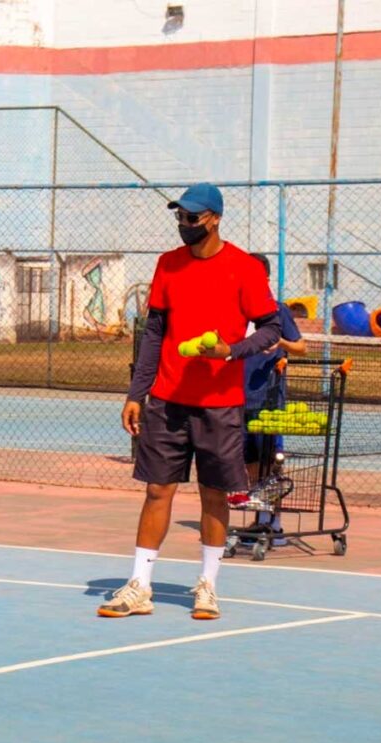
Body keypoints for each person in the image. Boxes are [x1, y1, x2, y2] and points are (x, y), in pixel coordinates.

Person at [98, 183, 281, 621]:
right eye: (179, 217)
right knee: (157, 489)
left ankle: (207, 586)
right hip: (166, 400)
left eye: (192, 218)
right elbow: (155, 334)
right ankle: (139, 585)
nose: (184, 225)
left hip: (220, 403)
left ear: (214, 218)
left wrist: (231, 351)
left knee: (214, 495)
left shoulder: (243, 268)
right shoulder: (168, 265)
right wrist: (135, 394)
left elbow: (273, 329)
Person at [230, 253, 307, 545]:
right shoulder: (235, 309)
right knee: (248, 460)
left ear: (264, 278)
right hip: (238, 397)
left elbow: (301, 347)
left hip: (268, 399)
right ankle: (260, 517)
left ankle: (275, 525)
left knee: (271, 460)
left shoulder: (277, 310)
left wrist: (281, 343)